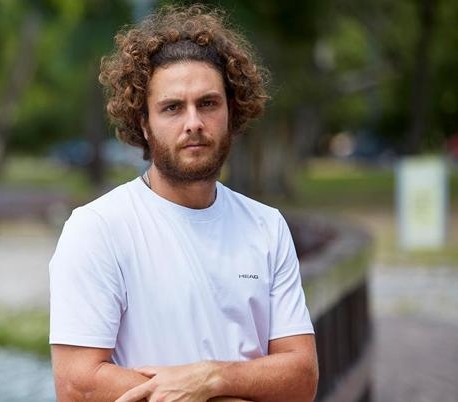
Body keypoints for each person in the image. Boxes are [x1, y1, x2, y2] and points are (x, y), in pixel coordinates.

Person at [49, 5, 318, 402]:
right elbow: (78, 385)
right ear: (144, 123)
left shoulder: (267, 226)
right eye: (172, 107)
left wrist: (212, 377)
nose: (194, 123)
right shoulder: (98, 229)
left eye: (208, 103)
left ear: (231, 111)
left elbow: (302, 377)